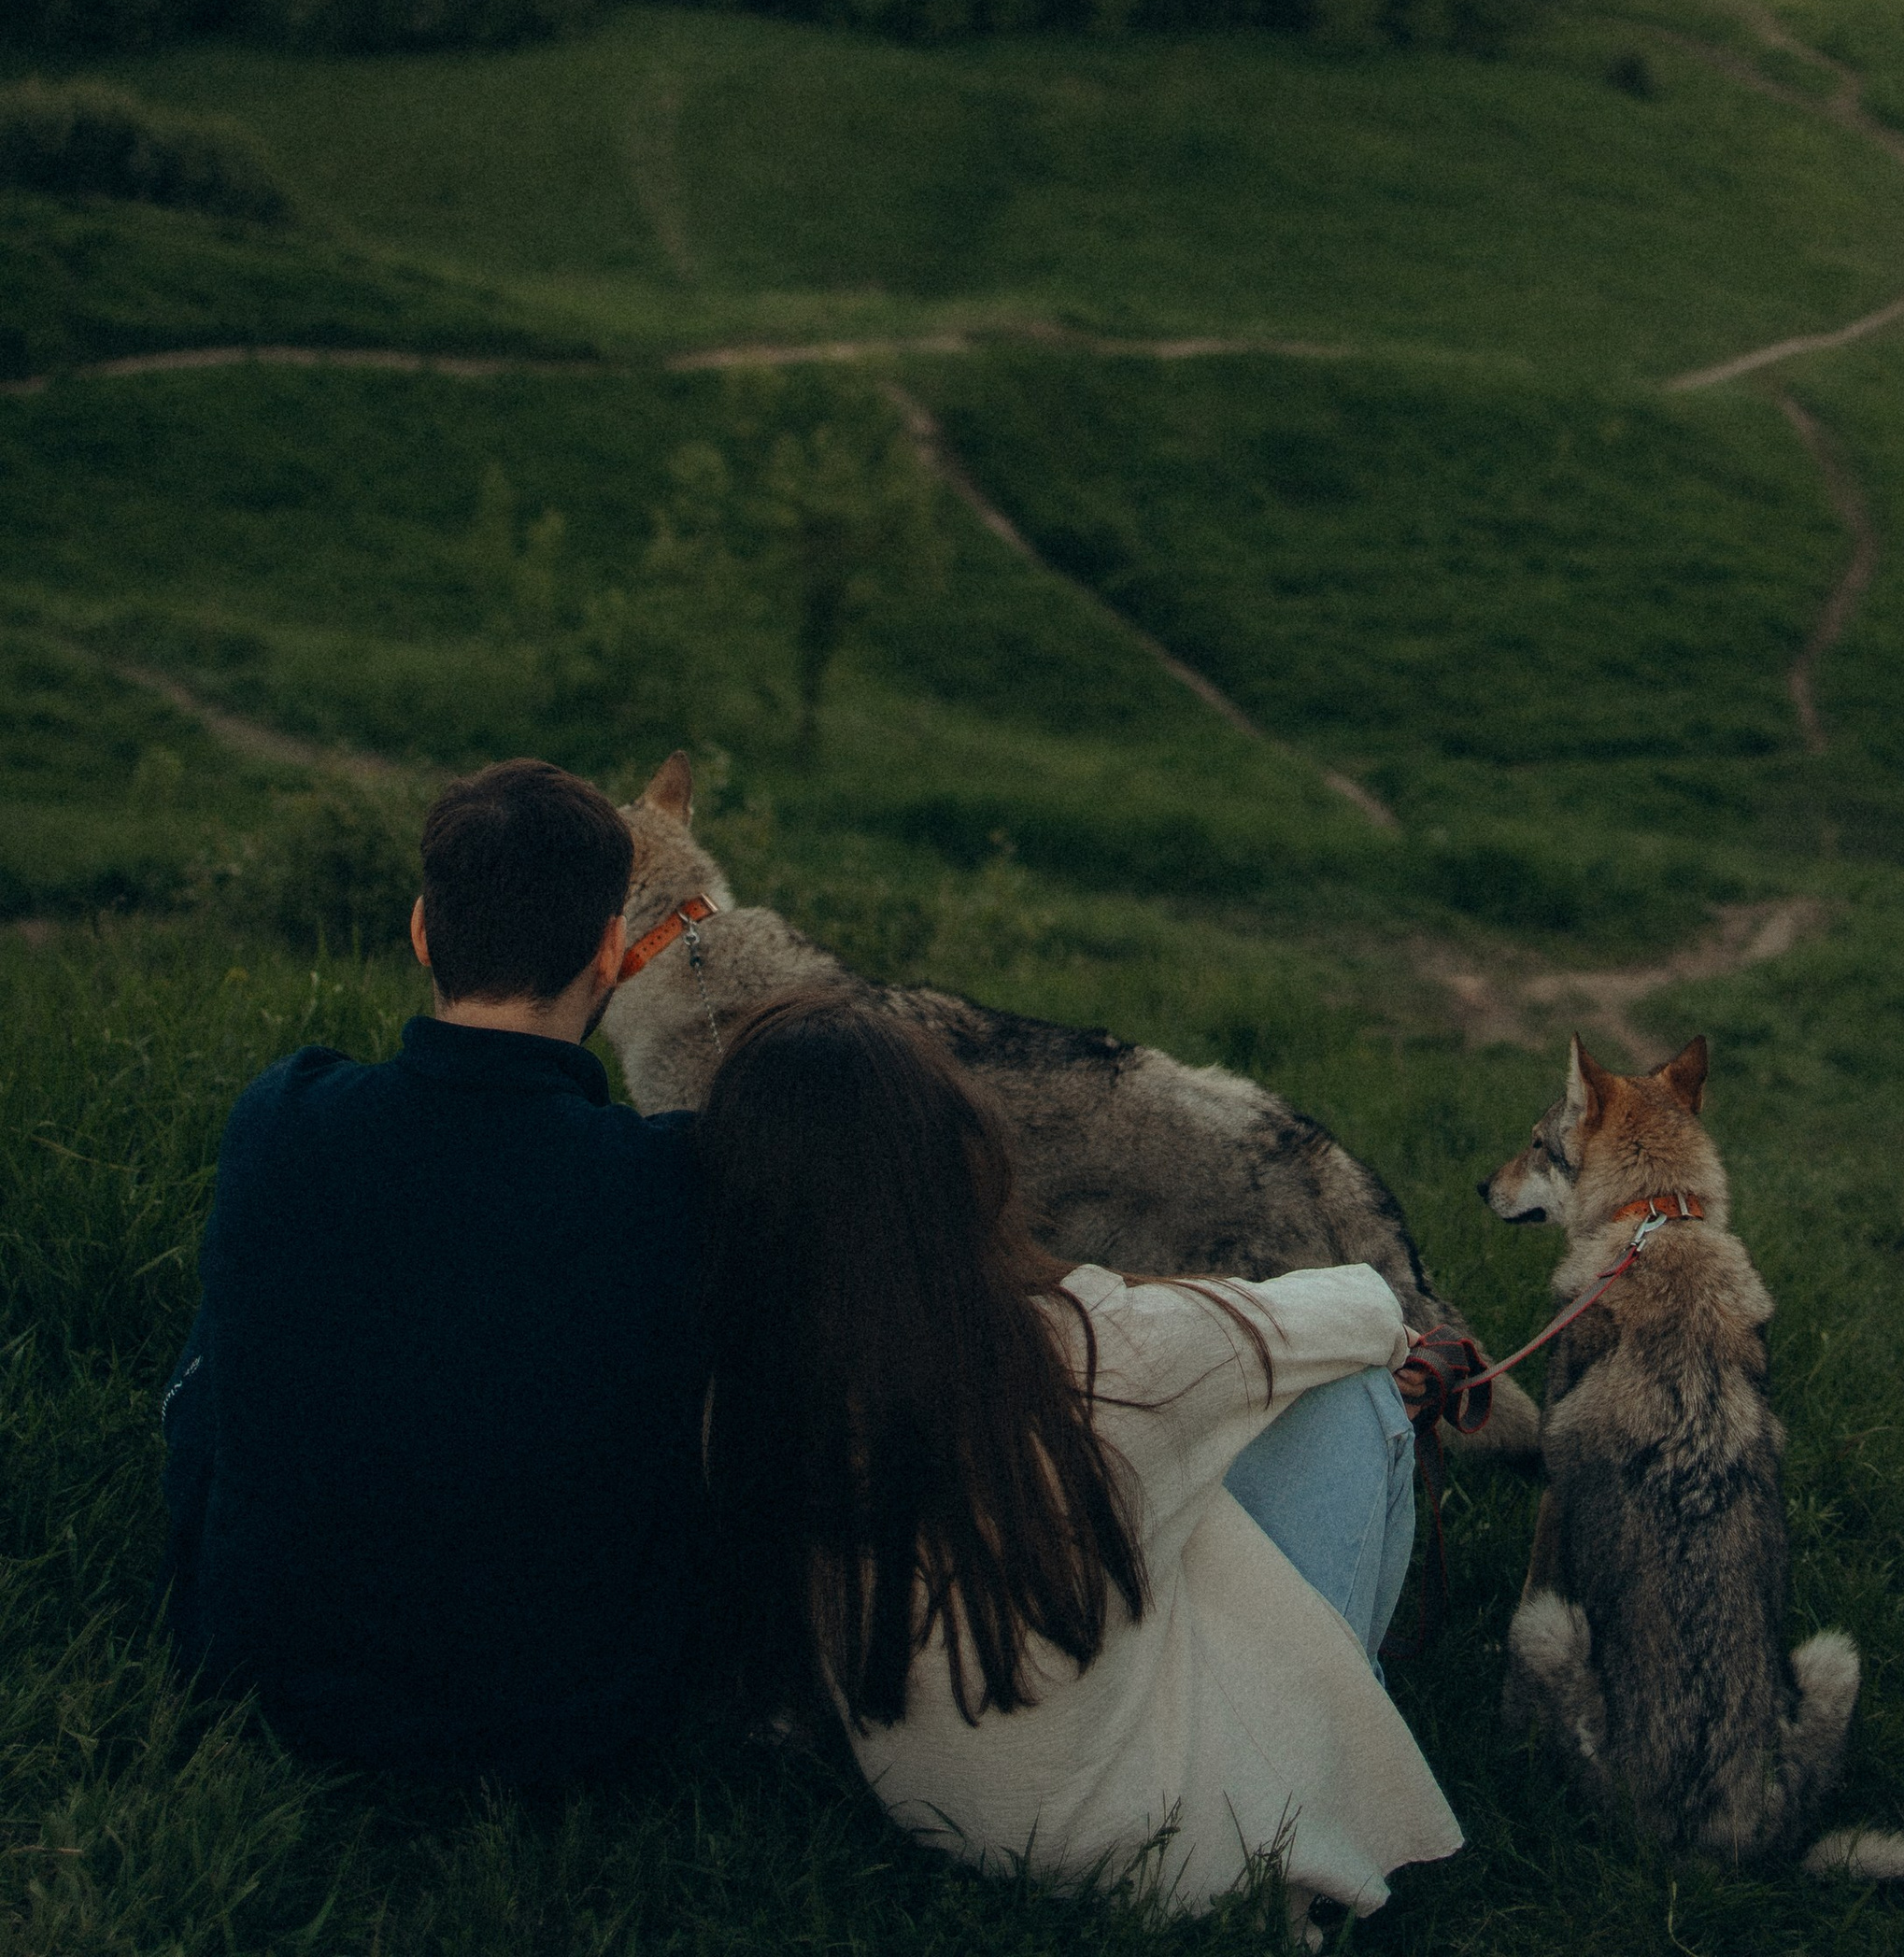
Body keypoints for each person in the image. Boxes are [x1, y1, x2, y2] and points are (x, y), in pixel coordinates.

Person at [695, 999, 1464, 1927]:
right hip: (1181, 1858)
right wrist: (1178, 1308)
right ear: (957, 1163)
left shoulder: (744, 1386)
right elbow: (1369, 1309)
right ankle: (1330, 1775)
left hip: (948, 1814)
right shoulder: (1086, 1351)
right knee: (1348, 1393)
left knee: (1182, 1455)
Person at [163, 759, 701, 1777]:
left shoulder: (282, 1116)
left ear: (421, 929)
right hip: (575, 1708)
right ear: (613, 952)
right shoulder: (667, 1181)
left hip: (257, 1672)